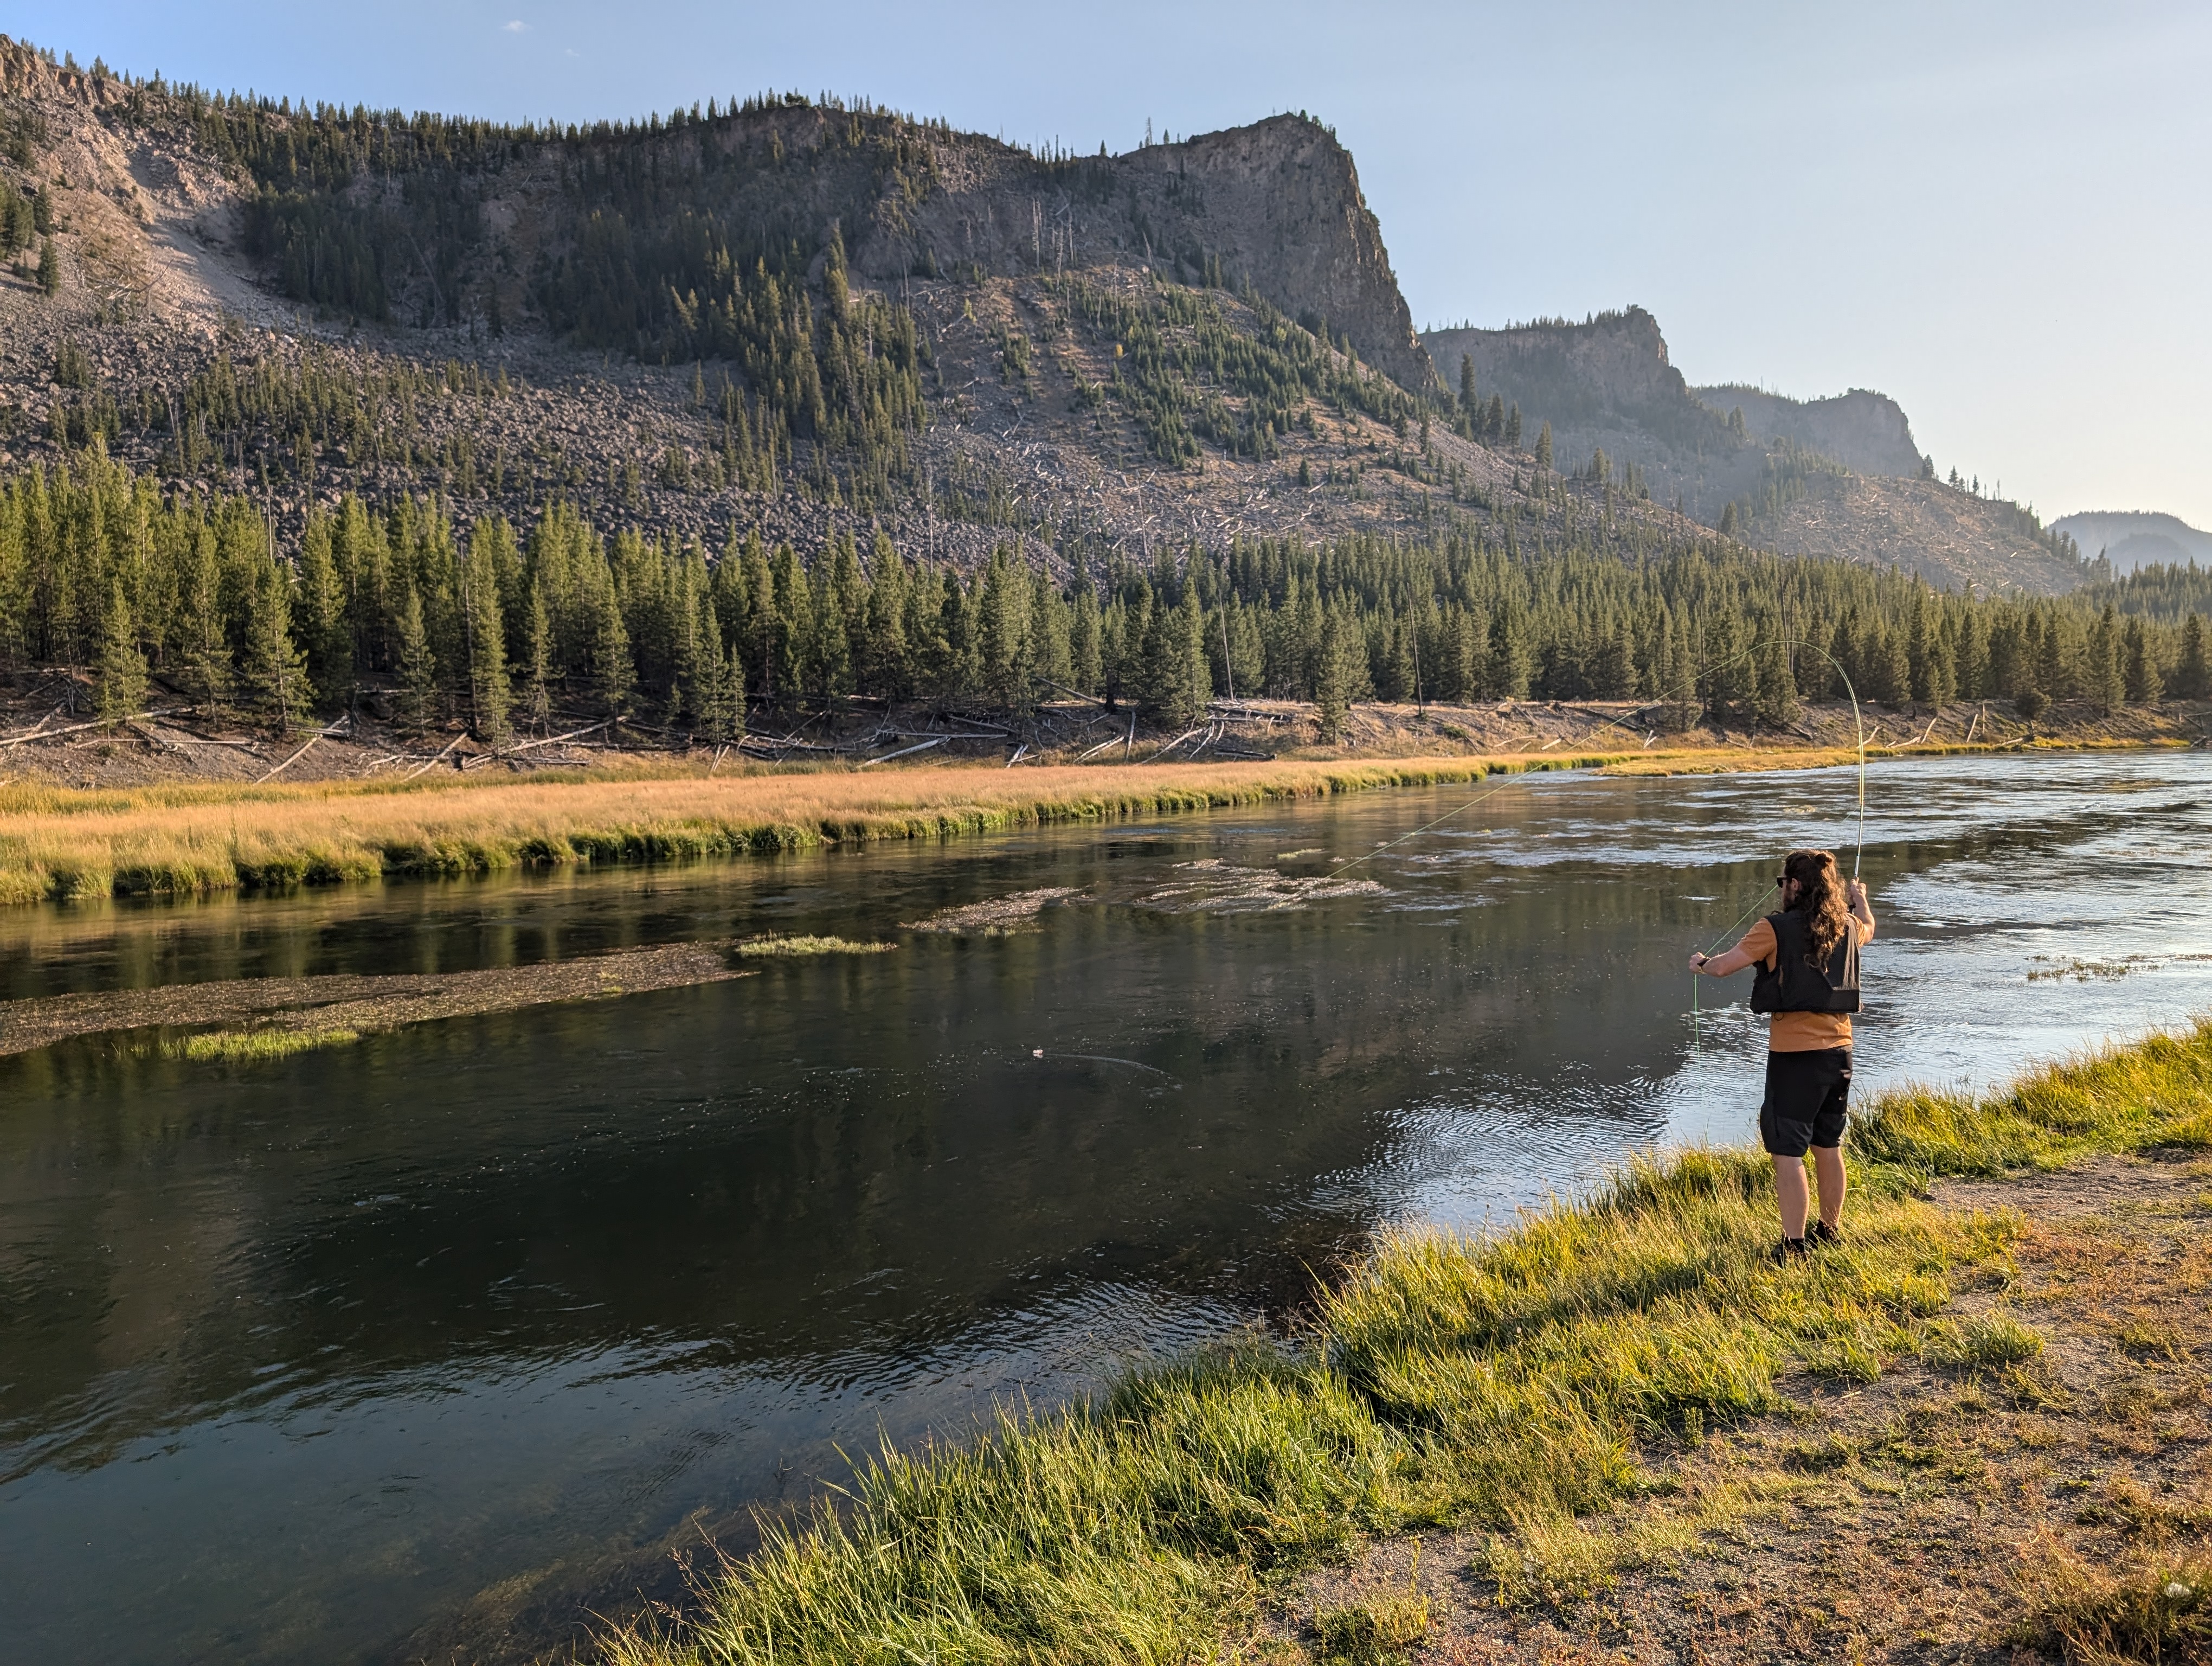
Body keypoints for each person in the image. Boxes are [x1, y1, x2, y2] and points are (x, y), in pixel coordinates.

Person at [1687, 848, 1876, 1259]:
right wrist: (1858, 897)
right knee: (1829, 1145)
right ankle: (1829, 1230)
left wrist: (1701, 964)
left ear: (1794, 885)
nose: (1781, 890)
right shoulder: (1846, 924)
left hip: (1795, 1058)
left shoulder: (1772, 929)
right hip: (1840, 1054)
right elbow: (1868, 927)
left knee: (1788, 1152)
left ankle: (1794, 1247)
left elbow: (1725, 967)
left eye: (1783, 883)